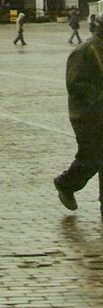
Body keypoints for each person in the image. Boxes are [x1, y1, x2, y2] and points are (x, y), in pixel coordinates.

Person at [53, 18, 103, 215]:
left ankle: (66, 184)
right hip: (86, 115)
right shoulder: (85, 51)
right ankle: (66, 184)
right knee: (93, 157)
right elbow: (74, 84)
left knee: (95, 157)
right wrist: (99, 96)